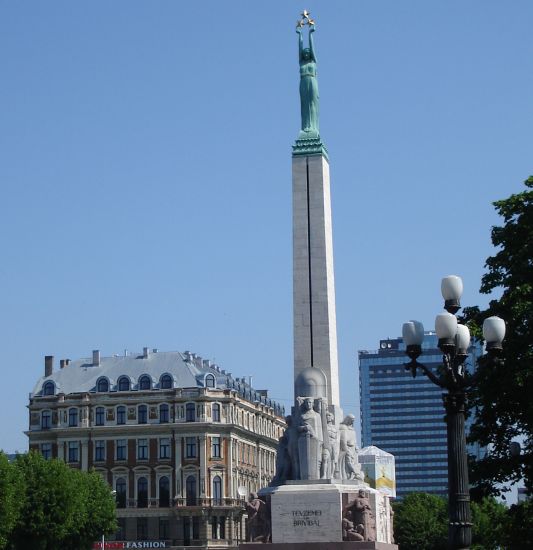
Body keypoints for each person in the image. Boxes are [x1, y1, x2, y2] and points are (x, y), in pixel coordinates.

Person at [296, 24, 319, 136]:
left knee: (312, 104)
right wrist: (299, 35)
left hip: (312, 81)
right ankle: (305, 127)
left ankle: (313, 127)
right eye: (304, 52)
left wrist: (310, 34)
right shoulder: (302, 62)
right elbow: (299, 49)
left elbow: (312, 47)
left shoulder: (313, 61)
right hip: (303, 82)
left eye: (307, 52)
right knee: (304, 104)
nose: (305, 53)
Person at [338, 414, 363, 481]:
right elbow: (343, 439)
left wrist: (356, 446)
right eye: (351, 420)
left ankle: (354, 475)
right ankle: (356, 473)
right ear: (348, 419)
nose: (352, 422)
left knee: (354, 462)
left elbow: (354, 439)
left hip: (353, 448)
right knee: (349, 461)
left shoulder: (352, 428)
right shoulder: (343, 427)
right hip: (347, 448)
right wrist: (345, 448)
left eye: (353, 420)